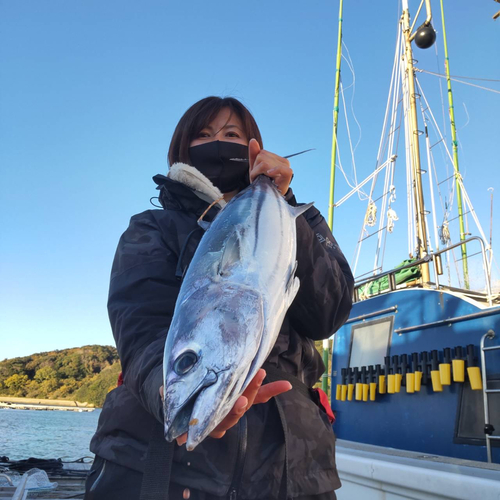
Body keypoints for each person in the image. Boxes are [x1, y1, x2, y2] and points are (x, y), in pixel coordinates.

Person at [84, 96, 354, 500]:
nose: (217, 142)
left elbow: (329, 313)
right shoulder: (152, 228)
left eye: (231, 135)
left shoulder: (288, 221)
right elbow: (139, 325)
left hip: (290, 472)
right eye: (203, 135)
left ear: (253, 150)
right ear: (182, 149)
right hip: (156, 468)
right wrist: (166, 392)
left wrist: (288, 204)